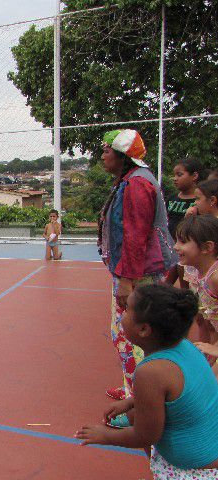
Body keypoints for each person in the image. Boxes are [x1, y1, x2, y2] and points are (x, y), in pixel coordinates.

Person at [76, 284, 218, 478]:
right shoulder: (184, 346)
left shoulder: (150, 372)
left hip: (193, 468)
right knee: (135, 413)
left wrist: (104, 435)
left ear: (143, 329)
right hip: (209, 446)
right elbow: (179, 393)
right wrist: (130, 401)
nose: (121, 315)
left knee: (139, 421)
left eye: (126, 311)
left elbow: (146, 435)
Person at [98, 129, 177, 402]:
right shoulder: (133, 180)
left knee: (129, 335)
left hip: (138, 275)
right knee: (126, 334)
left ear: (122, 155)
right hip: (137, 273)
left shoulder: (137, 185)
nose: (102, 156)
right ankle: (132, 389)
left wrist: (126, 279)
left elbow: (135, 235)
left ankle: (138, 402)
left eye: (106, 151)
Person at [173, 215, 218, 361]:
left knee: (210, 381)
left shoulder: (215, 278)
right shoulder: (193, 271)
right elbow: (207, 320)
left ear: (207, 247)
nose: (175, 246)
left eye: (183, 242)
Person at [166, 158, 204, 240]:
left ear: (194, 176)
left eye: (179, 175)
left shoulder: (202, 202)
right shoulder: (171, 198)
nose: (175, 178)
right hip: (170, 246)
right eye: (174, 175)